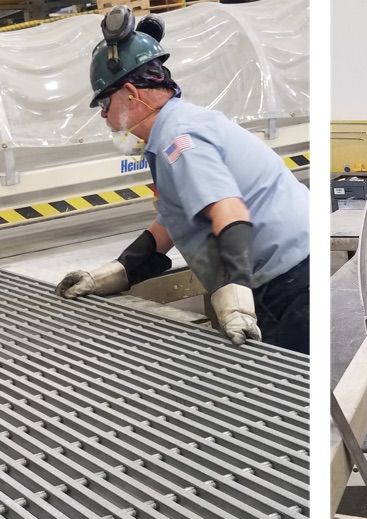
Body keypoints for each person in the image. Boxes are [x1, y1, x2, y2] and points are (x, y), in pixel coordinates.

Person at [55, 5, 310, 354]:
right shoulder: (174, 130)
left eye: (104, 103)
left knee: (288, 391)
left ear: (131, 93)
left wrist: (235, 303)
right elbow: (174, 223)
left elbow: (229, 211)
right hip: (290, 273)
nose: (104, 117)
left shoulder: (178, 139)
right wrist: (110, 275)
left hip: (291, 283)